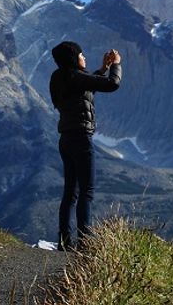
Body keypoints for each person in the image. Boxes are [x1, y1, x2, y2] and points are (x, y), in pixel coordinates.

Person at [48, 40, 122, 251]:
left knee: (70, 193)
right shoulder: (75, 77)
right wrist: (116, 65)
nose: (84, 57)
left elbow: (86, 88)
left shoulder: (59, 77)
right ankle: (84, 242)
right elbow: (112, 84)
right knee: (86, 192)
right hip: (81, 139)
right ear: (74, 58)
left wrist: (103, 69)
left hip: (65, 139)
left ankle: (64, 241)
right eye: (81, 55)